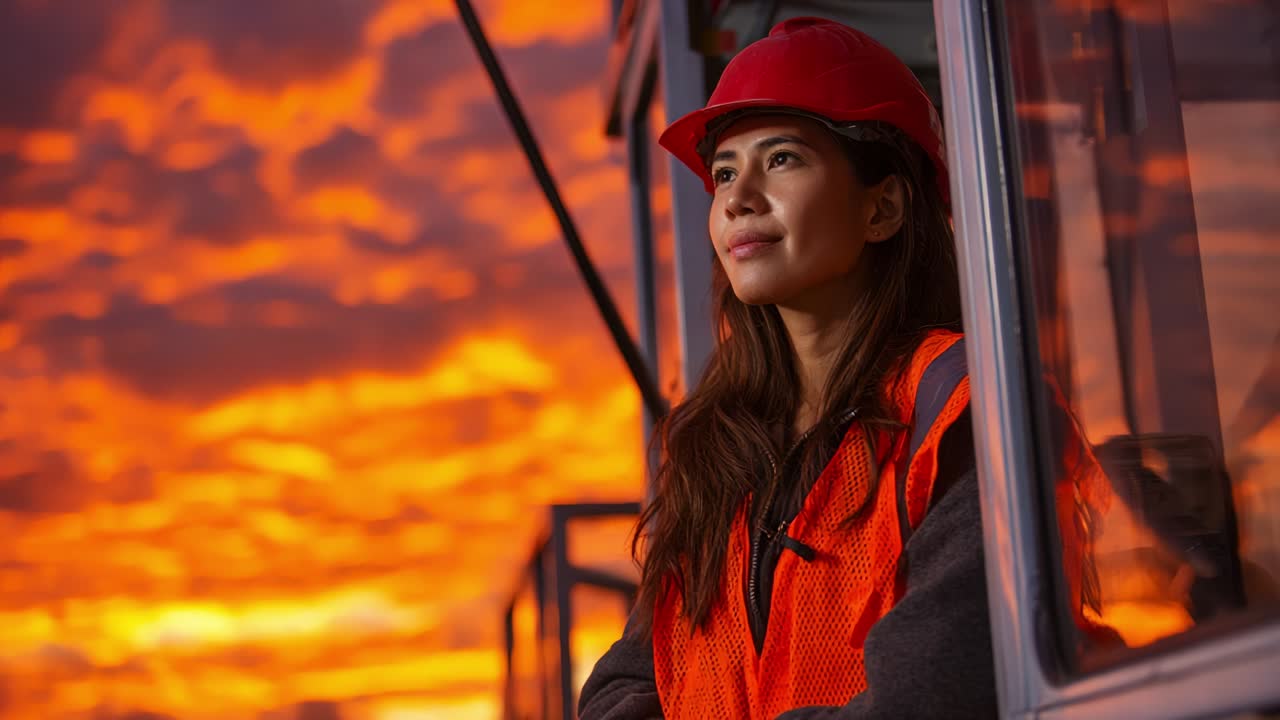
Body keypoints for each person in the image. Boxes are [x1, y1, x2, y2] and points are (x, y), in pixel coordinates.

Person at [579, 17, 997, 719]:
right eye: (723, 173)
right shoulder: (720, 449)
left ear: (883, 207)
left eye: (781, 160)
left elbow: (931, 698)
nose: (736, 198)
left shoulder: (961, 408)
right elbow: (618, 691)